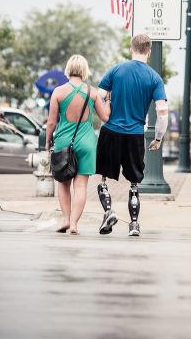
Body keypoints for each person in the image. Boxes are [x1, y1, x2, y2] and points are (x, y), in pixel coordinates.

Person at [96, 34, 168, 237]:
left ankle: (108, 211)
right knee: (134, 182)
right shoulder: (154, 78)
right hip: (135, 134)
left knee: (103, 179)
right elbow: (162, 113)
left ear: (131, 48)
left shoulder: (116, 70)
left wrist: (106, 111)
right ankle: (134, 224)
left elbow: (99, 97)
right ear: (149, 50)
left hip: (110, 131)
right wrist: (158, 138)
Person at [46, 55, 110, 235]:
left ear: (68, 69)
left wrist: (47, 142)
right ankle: (74, 223)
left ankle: (66, 219)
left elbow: (51, 122)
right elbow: (105, 117)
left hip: (64, 142)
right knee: (80, 186)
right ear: (84, 70)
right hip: (87, 142)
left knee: (63, 184)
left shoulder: (58, 92)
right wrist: (109, 100)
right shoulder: (93, 92)